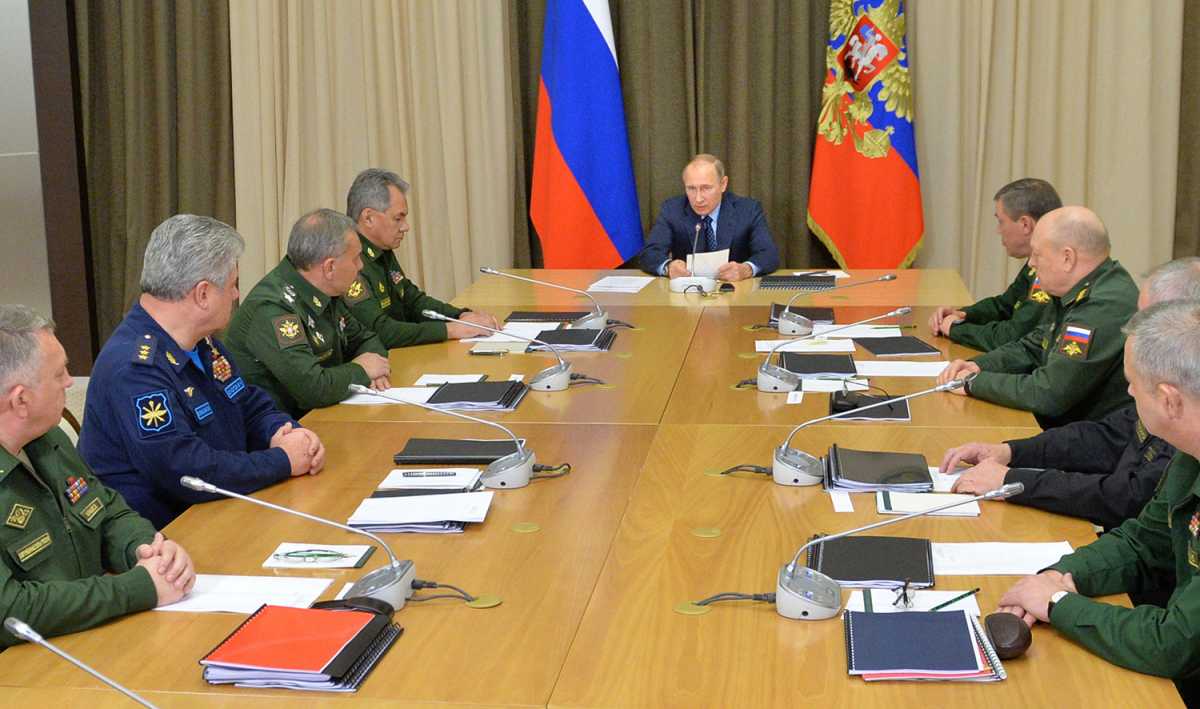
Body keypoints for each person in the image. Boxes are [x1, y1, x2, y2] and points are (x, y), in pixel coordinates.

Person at [996, 299, 1200, 703]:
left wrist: (1057, 605)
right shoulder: (1190, 452)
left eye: (1132, 384)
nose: (1126, 392)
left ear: (1170, 400)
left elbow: (1172, 643)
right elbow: (1144, 542)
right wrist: (1062, 575)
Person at [79, 215, 325, 529]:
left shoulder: (201, 342)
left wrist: (283, 431)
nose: (237, 295)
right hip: (169, 537)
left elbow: (246, 402)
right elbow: (187, 471)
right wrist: (283, 461)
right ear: (203, 294)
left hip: (221, 511)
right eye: (233, 284)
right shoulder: (133, 368)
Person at [941, 258, 1200, 530]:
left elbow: (1128, 496)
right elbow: (1106, 437)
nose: (1134, 328)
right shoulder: (1167, 392)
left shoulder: (1182, 406)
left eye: (1145, 320)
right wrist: (1010, 452)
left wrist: (1014, 482)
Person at [0, 305, 194, 646]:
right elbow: (10, 611)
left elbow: (107, 511)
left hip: (90, 638)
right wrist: (139, 588)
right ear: (20, 400)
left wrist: (145, 549)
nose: (69, 382)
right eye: (59, 374)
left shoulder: (47, 438)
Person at [937, 206, 1138, 429]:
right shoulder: (1080, 288)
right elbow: (1034, 345)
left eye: (1037, 254)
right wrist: (977, 366)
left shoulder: (1103, 304)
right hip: (1068, 429)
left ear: (1067, 258)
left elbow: (1049, 393)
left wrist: (973, 383)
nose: (1031, 263)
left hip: (1091, 440)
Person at [226, 208, 390, 418]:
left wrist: (371, 371)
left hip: (325, 417)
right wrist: (363, 372)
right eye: (356, 258)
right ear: (329, 267)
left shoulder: (325, 291)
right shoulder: (273, 308)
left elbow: (367, 339)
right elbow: (313, 389)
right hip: (282, 433)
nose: (361, 266)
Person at [344, 168, 499, 346]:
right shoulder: (348, 260)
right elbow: (381, 331)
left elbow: (412, 300)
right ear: (369, 218)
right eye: (398, 219)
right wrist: (451, 330)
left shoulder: (381, 249)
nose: (405, 227)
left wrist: (460, 316)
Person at [928, 178, 1062, 350]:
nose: (998, 231)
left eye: (1001, 221)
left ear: (1025, 224)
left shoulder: (1053, 269)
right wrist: (963, 315)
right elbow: (1004, 305)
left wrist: (956, 329)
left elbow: (1013, 335)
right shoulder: (1038, 260)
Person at [639, 154, 780, 281]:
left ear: (723, 184)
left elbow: (769, 254)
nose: (698, 198)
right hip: (687, 296)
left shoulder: (748, 210)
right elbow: (649, 254)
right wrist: (668, 267)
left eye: (706, 188)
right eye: (691, 189)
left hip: (735, 293)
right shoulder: (672, 210)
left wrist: (746, 269)